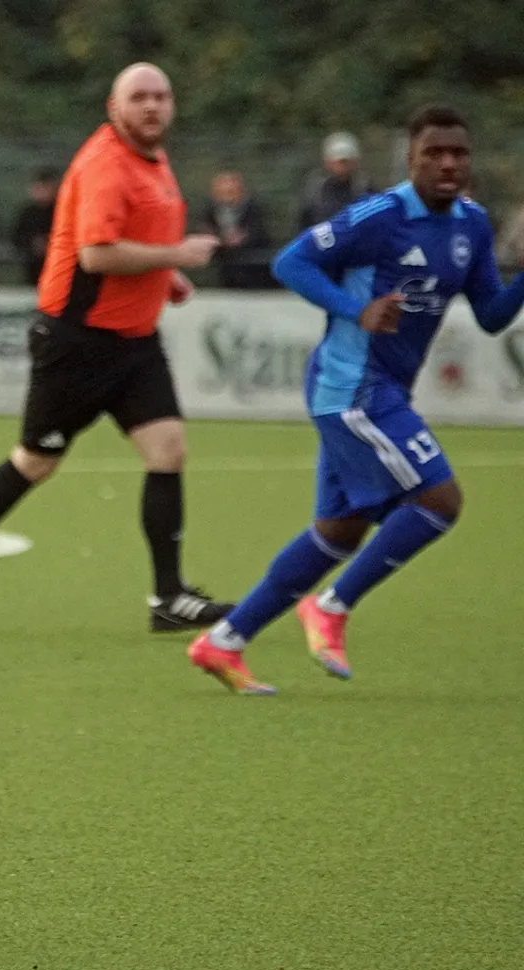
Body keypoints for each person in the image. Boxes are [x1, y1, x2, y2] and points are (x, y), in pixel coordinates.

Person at [189, 106, 524, 694]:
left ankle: (224, 641)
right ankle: (332, 607)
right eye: (434, 153)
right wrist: (356, 309)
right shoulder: (380, 215)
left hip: (381, 389)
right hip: (353, 386)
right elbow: (291, 262)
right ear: (411, 159)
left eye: (459, 153)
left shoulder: (471, 224)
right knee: (440, 500)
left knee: (338, 533)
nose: (448, 163)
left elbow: (492, 316)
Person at [0, 63, 231, 635]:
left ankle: (168, 597)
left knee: (168, 451)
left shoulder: (155, 160)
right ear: (114, 107)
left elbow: (141, 238)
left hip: (135, 343)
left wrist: (167, 277)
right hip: (76, 343)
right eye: (139, 97)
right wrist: (176, 257)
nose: (152, 106)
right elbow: (96, 255)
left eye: (161, 95)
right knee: (35, 462)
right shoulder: (106, 163)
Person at [203, 169, 274, 289]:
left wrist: (242, 239)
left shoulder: (252, 210)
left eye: (230, 192)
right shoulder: (210, 212)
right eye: (221, 193)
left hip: (253, 268)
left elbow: (258, 233)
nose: (226, 198)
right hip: (225, 267)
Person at [298, 132, 372, 231]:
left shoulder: (366, 190)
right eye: (339, 162)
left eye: (346, 161)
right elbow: (306, 226)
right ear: (327, 162)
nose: (342, 166)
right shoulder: (316, 193)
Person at [10, 167, 60, 286]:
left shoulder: (61, 211)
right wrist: (32, 244)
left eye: (46, 187)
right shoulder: (27, 212)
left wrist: (50, 243)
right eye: (39, 187)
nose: (42, 192)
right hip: (31, 264)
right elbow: (17, 236)